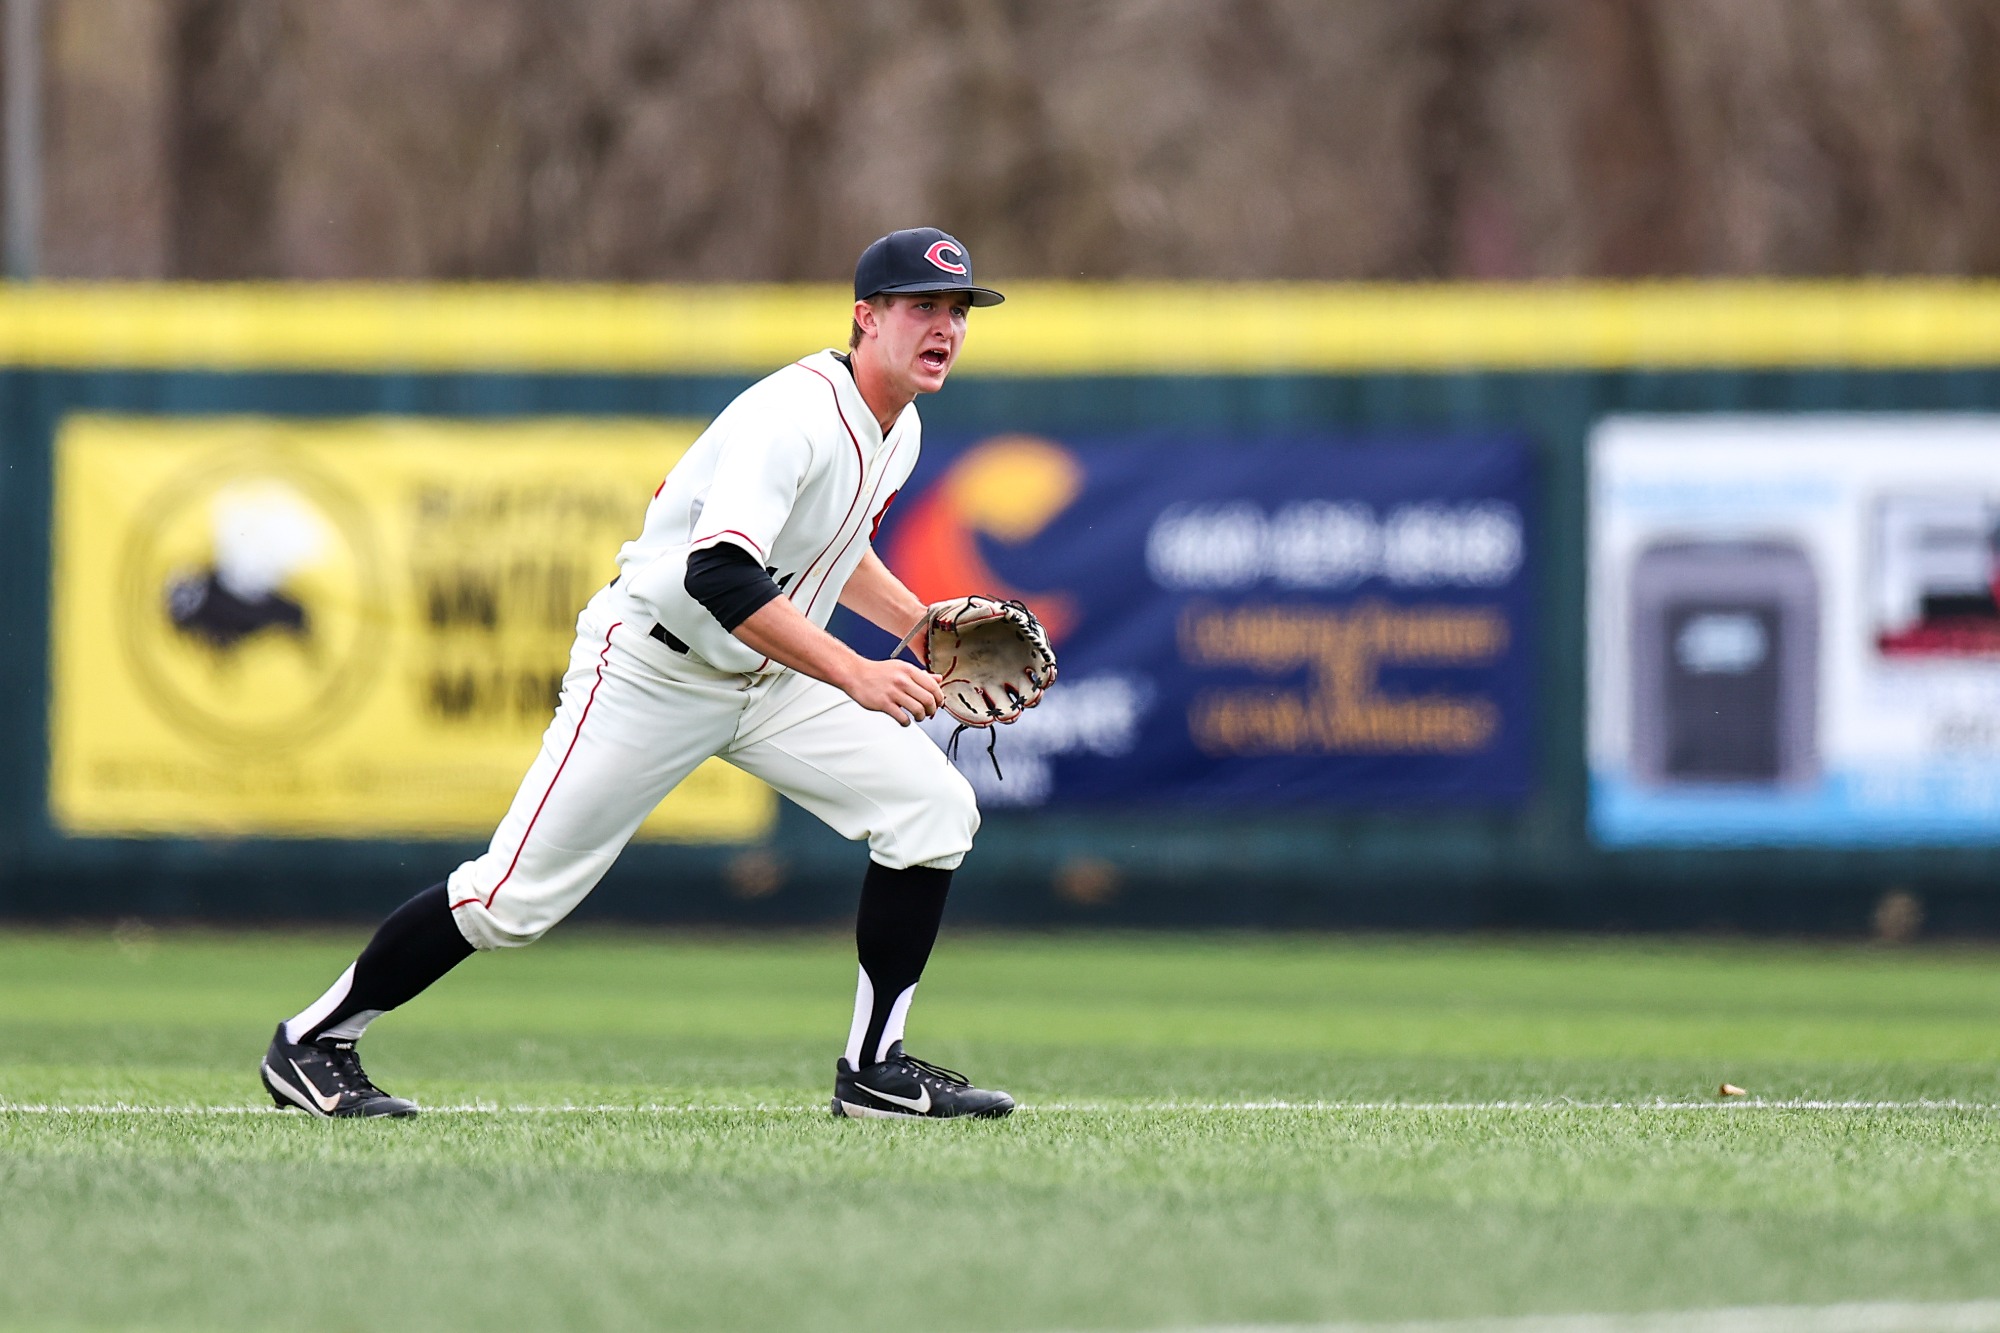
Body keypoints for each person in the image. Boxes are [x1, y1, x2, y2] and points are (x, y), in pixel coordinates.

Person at [260, 227, 1014, 1121]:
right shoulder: (795, 416)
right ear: (865, 317)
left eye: (958, 310)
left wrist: (915, 624)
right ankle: (312, 1042)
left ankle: (875, 1069)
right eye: (921, 306)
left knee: (930, 810)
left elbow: (833, 546)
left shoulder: (902, 427)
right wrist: (855, 670)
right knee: (511, 899)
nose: (945, 327)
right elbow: (721, 572)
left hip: (766, 678)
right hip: (655, 667)